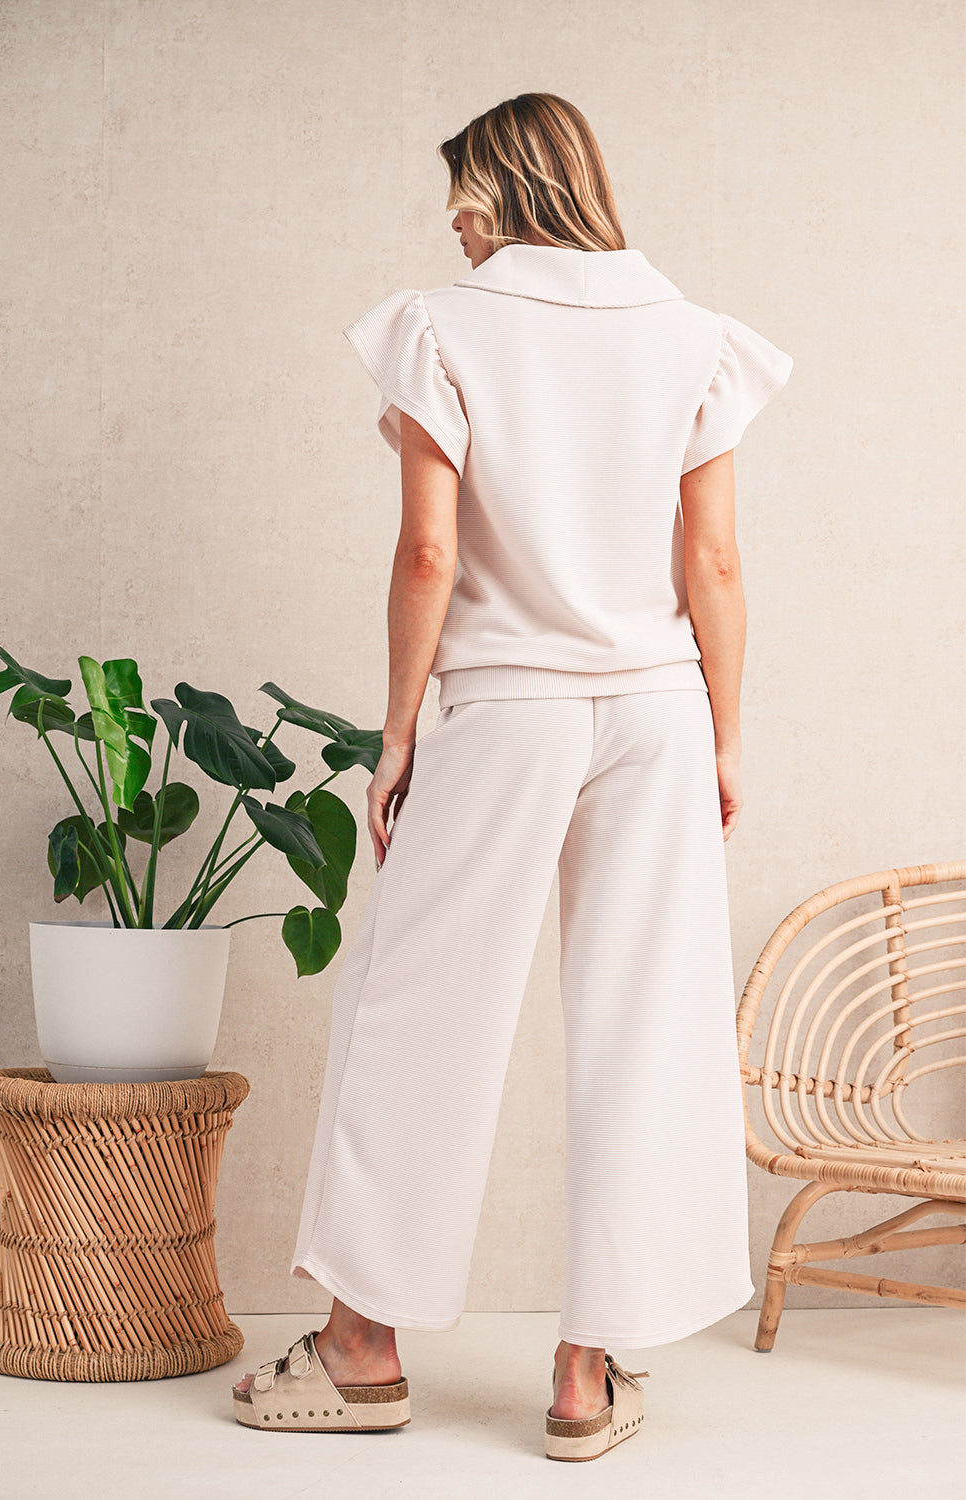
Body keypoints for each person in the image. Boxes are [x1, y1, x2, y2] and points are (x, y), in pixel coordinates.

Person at [231, 91, 793, 1460]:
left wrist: (398, 729)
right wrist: (719, 730)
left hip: (502, 706)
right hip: (655, 710)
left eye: (459, 204)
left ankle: (361, 1352)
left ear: (491, 197)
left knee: (418, 1007)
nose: (454, 229)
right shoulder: (691, 337)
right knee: (644, 1022)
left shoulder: (443, 323)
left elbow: (429, 553)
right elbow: (709, 562)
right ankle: (586, 1380)